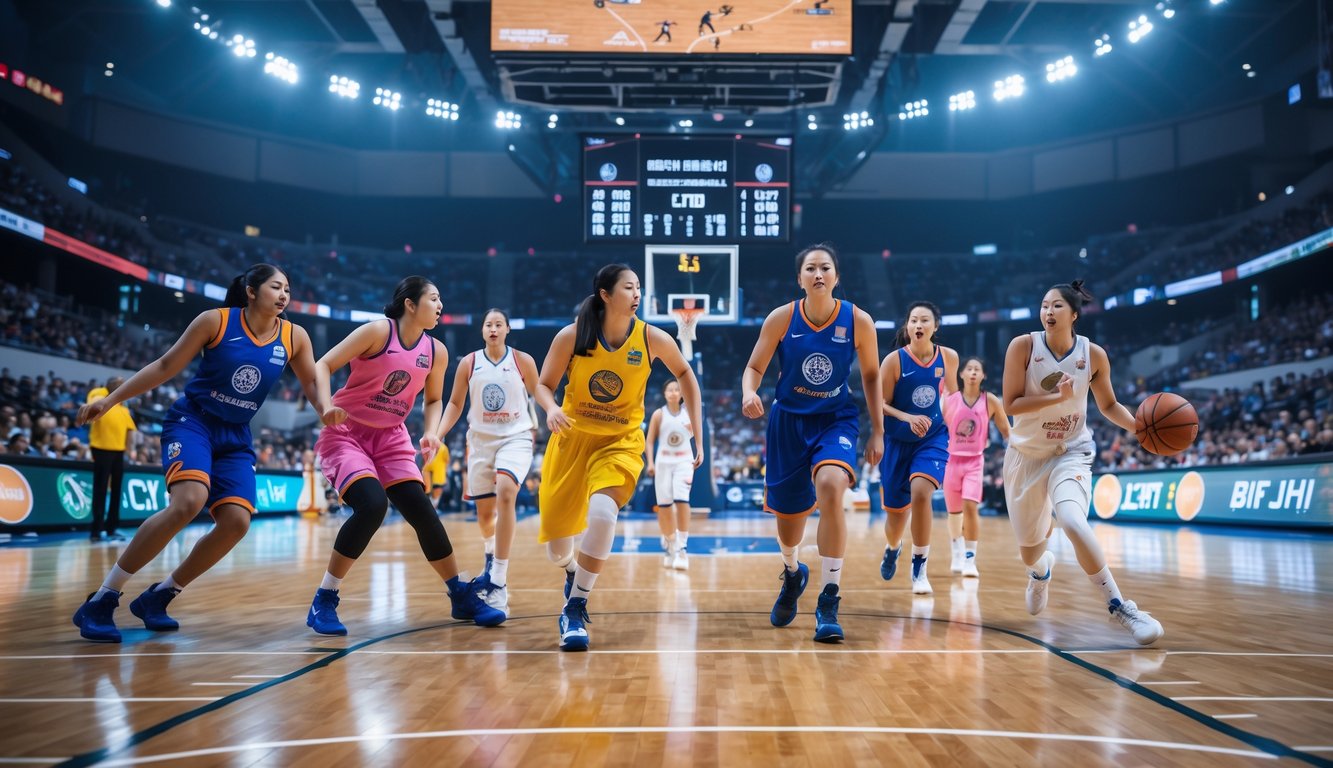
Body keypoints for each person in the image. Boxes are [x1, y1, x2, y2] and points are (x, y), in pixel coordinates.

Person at [72, 264, 327, 643]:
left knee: (237, 522)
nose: (285, 294)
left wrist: (330, 412)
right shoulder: (215, 321)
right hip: (194, 422)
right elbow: (165, 366)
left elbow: (311, 382)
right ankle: (103, 599)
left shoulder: (295, 336)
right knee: (188, 501)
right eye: (276, 287)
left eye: (288, 288)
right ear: (252, 291)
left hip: (236, 435)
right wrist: (111, 400)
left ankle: (160, 597)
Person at [305, 277, 503, 636]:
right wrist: (325, 406)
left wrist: (431, 431)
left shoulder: (436, 351)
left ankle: (458, 593)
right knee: (371, 505)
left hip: (392, 436)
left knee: (421, 509)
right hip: (348, 431)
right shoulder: (377, 332)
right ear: (410, 304)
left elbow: (433, 400)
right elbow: (322, 364)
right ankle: (324, 598)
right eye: (433, 298)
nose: (440, 305)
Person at [535, 264, 702, 651]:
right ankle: (571, 570)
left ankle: (575, 606)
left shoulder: (652, 338)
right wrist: (550, 408)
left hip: (621, 442)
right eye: (629, 287)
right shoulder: (572, 336)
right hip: (571, 440)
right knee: (558, 549)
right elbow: (544, 385)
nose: (637, 294)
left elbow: (687, 376)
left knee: (602, 514)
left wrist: (697, 431)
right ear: (606, 295)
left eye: (639, 287)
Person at [1000, 280, 1163, 645]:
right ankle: (1040, 573)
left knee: (1072, 521)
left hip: (1071, 451)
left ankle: (1121, 606)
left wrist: (1140, 428)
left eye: (1056, 306)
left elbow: (1107, 406)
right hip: (1025, 456)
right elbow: (1011, 404)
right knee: (1030, 552)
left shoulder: (1094, 355)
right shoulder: (1023, 346)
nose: (1048, 312)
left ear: (1074, 314)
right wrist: (1055, 399)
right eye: (1044, 305)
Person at [741, 244, 883, 643]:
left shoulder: (859, 321)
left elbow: (871, 377)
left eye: (825, 268)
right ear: (799, 278)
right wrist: (748, 392)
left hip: (835, 418)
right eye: (810, 268)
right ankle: (792, 573)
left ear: (837, 277)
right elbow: (754, 367)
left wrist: (878, 430)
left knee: (832, 487)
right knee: (789, 526)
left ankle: (829, 598)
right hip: (787, 421)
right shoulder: (782, 318)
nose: (818, 274)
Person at [434, 308, 540, 619]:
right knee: (484, 517)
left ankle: (498, 582)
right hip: (479, 442)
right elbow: (454, 403)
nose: (493, 328)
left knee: (506, 491)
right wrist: (438, 434)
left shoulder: (522, 361)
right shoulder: (469, 362)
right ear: (483, 331)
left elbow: (541, 392)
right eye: (488, 324)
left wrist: (556, 414)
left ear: (507, 329)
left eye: (498, 324)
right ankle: (491, 554)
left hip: (515, 436)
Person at [878, 301, 958, 596]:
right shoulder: (894, 361)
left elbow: (953, 396)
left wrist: (959, 422)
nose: (919, 325)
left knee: (922, 492)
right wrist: (907, 417)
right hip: (897, 440)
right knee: (895, 518)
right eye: (913, 321)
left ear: (935, 327)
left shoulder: (948, 357)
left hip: (932, 437)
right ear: (907, 327)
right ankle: (893, 547)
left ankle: (920, 566)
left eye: (925, 320)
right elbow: (880, 405)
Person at [941, 356, 1009, 578]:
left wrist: (1023, 449)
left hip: (974, 461)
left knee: (970, 507)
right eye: (968, 369)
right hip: (951, 460)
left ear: (983, 375)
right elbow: (936, 430)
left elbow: (1007, 432)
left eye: (976, 369)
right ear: (961, 374)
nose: (972, 373)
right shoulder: (950, 400)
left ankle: (970, 558)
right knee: (954, 513)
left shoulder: (991, 401)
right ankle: (956, 550)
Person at [645, 378, 695, 570]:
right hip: (663, 462)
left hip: (684, 461)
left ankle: (682, 548)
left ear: (681, 394)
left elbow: (698, 435)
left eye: (677, 389)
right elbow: (649, 441)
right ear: (665, 394)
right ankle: (670, 542)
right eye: (670, 390)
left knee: (682, 500)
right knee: (664, 506)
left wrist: (699, 451)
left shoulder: (689, 413)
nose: (674, 392)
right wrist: (650, 462)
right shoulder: (659, 414)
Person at [86, 376, 136, 542]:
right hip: (101, 449)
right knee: (100, 489)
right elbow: (94, 403)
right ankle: (96, 531)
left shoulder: (123, 406)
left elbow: (131, 429)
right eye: (120, 383)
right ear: (109, 385)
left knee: (116, 491)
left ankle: (111, 528)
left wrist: (131, 449)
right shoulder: (99, 394)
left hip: (118, 452)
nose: (123, 385)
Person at [422, 441, 449, 509]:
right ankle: (428, 509)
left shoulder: (443, 448)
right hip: (427, 472)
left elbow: (447, 461)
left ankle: (433, 508)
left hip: (438, 474)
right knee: (427, 491)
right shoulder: (427, 446)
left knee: (436, 491)